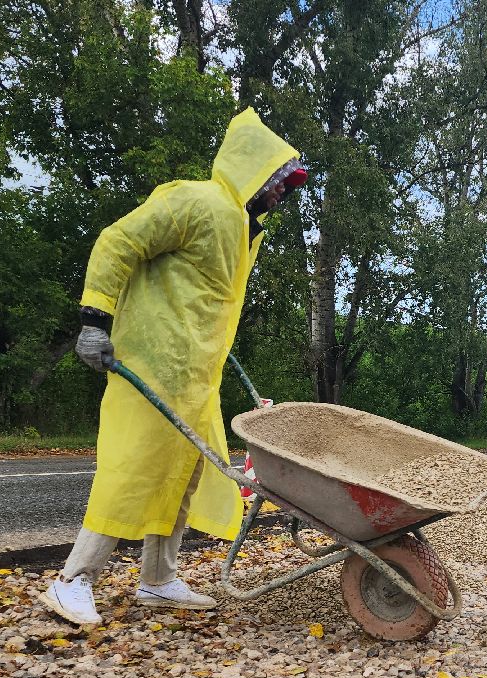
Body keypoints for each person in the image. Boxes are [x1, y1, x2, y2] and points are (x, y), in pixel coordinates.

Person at [41, 108, 307, 627]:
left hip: (197, 379)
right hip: (152, 365)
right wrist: (95, 320)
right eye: (277, 183)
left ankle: (158, 580)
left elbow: (207, 295)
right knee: (130, 471)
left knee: (181, 477)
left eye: (285, 188)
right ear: (253, 170)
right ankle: (72, 580)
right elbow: (119, 242)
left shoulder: (243, 227)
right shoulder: (197, 200)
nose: (280, 195)